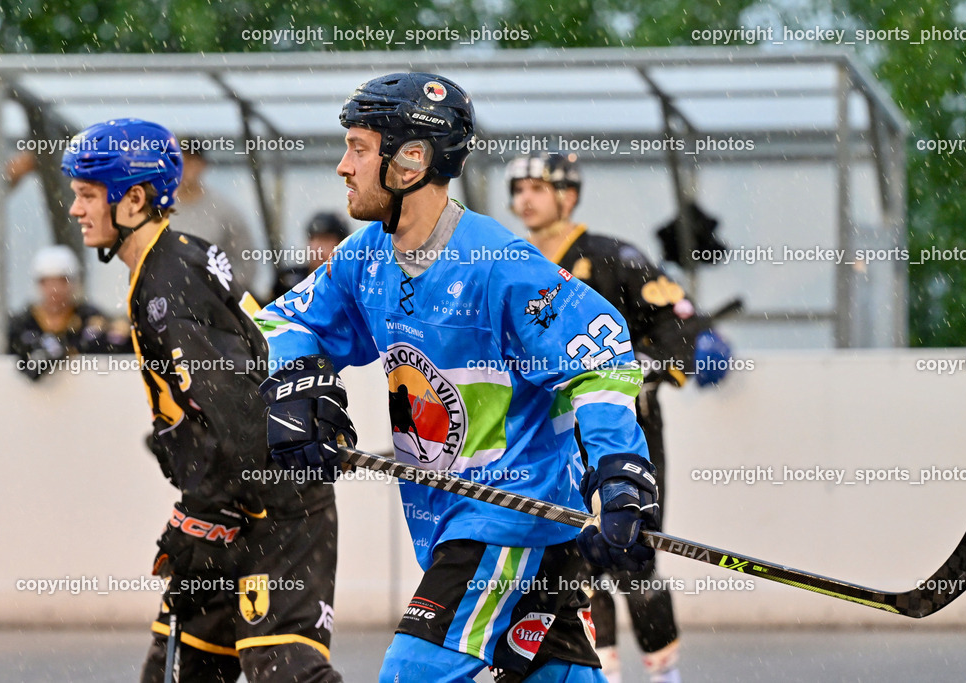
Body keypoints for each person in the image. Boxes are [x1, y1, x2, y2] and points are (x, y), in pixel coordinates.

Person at [255, 72, 660, 683]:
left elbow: (600, 355)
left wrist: (620, 472)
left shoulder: (498, 264)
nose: (343, 166)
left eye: (359, 148)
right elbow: (282, 320)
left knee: (411, 673)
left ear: (411, 160)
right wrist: (295, 387)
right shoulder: (366, 257)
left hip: (507, 523)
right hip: (456, 527)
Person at [61, 118, 344, 683]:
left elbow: (238, 410)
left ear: (134, 198)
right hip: (232, 499)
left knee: (285, 672)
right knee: (177, 671)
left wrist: (203, 513)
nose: (74, 208)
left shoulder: (170, 282)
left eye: (87, 194)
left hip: (274, 504)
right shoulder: (171, 260)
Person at [507, 151, 729, 683]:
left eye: (537, 187)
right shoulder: (509, 262)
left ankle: (663, 673)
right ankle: (599, 671)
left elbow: (680, 321)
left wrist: (674, 357)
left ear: (569, 195)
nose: (525, 199)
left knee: (633, 549)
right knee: (572, 557)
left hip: (625, 423)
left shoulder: (612, 256)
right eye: (518, 189)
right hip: (552, 436)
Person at [8, 244, 131, 379]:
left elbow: (112, 346)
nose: (55, 289)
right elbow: (16, 354)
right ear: (38, 285)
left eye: (62, 281)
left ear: (74, 283)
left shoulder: (88, 316)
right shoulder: (24, 322)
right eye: (47, 282)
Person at [173, 136, 261, 293]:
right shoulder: (160, 210)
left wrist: (223, 293)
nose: (184, 168)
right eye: (179, 161)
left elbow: (248, 262)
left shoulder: (224, 211)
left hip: (214, 304)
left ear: (202, 165)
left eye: (190, 161)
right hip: (170, 300)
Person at [271, 211, 351, 299]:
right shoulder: (288, 279)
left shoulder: (350, 285)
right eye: (312, 238)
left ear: (341, 245)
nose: (316, 247)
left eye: (325, 239)